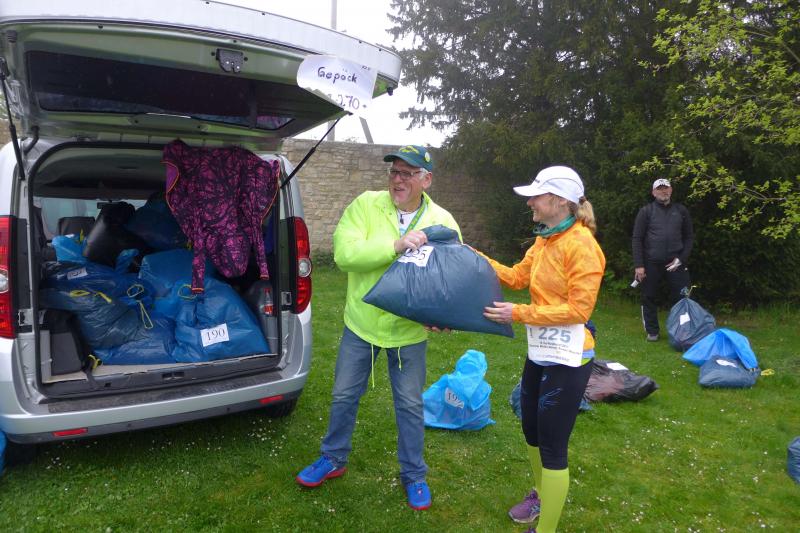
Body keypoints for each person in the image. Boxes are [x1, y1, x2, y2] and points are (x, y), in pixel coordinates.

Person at [295, 145, 460, 511]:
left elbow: (450, 277)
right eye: (394, 172)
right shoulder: (365, 205)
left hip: (408, 333)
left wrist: (443, 315)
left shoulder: (442, 221)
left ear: (426, 180)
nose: (397, 180)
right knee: (343, 395)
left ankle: (414, 475)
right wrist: (394, 245)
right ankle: (333, 458)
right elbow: (344, 255)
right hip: (362, 324)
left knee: (410, 405)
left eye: (407, 173)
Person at [481, 166, 605, 533]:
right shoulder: (545, 240)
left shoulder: (582, 246)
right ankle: (541, 494)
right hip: (540, 351)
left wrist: (518, 313)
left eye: (536, 196)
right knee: (531, 432)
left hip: (570, 359)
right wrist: (474, 256)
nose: (530, 203)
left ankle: (546, 529)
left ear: (561, 201)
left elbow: (579, 310)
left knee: (552, 446)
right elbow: (517, 277)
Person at [631, 178, 694, 341]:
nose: (663, 191)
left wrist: (681, 259)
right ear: (654, 192)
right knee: (649, 296)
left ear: (671, 190)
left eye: (666, 188)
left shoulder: (681, 210)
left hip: (676, 263)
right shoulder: (646, 211)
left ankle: (682, 333)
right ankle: (652, 332)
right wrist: (639, 265)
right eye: (659, 189)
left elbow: (689, 237)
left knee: (682, 297)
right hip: (651, 262)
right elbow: (637, 239)